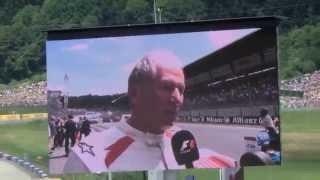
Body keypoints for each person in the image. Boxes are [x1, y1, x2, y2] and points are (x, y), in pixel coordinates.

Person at [63, 50, 235, 173]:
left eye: (181, 90)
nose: (177, 98)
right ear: (135, 93)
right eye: (167, 87)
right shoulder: (88, 157)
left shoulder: (181, 138)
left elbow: (205, 161)